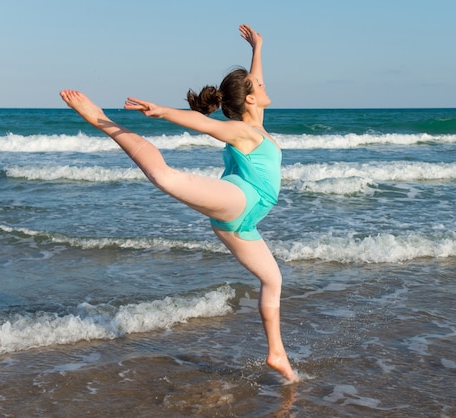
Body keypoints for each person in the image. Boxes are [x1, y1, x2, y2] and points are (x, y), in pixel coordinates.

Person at [59, 24, 298, 383]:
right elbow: (202, 123)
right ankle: (102, 121)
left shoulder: (255, 121)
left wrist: (258, 48)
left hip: (242, 223)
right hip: (239, 200)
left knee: (273, 279)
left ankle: (277, 354)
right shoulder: (242, 131)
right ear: (249, 98)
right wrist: (164, 111)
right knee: (165, 177)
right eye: (259, 86)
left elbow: (253, 81)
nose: (264, 85)